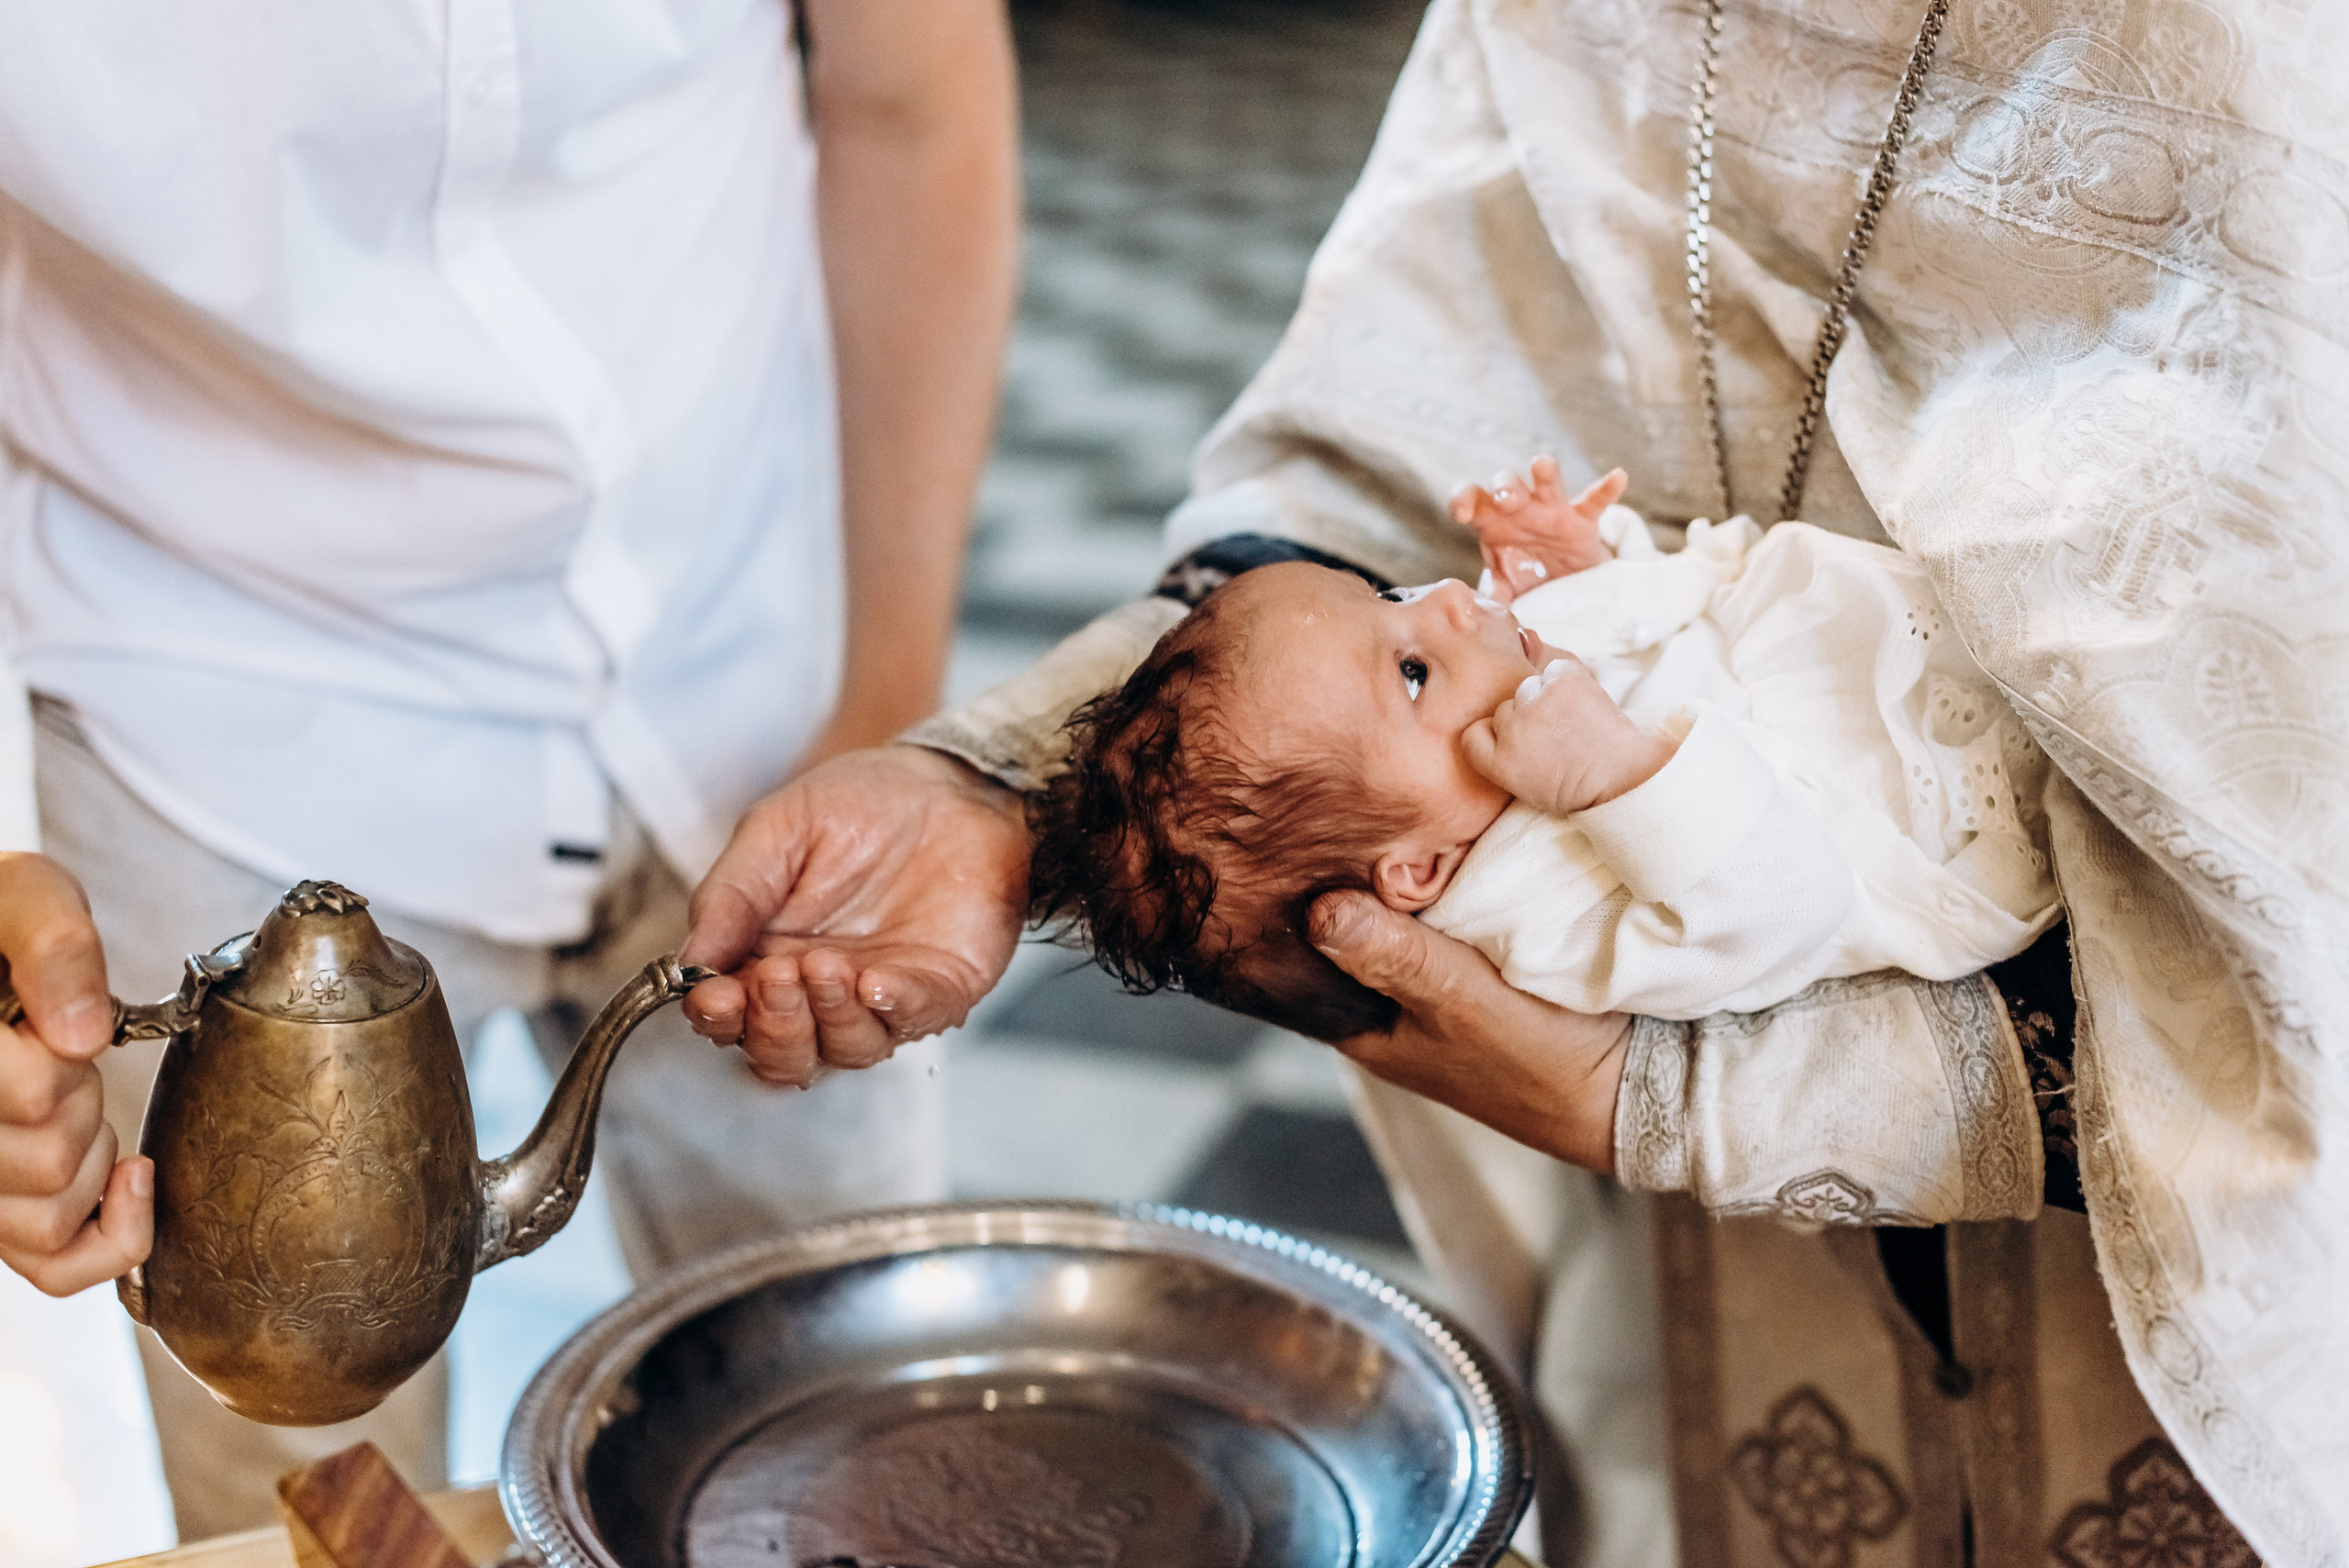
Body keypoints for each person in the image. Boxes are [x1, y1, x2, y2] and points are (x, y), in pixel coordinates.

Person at [674, 0, 2343, 1561]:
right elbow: (1362, 507)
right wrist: (1008, 787)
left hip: (2158, 1247)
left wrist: (1721, 1100)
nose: (1441, 618)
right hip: (1724, 1268)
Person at [0, 0, 1015, 1540]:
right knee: (311, 1483)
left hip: (758, 636)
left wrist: (888, 705)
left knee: (860, 1417)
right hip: (206, 689)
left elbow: (910, 97)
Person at [1022, 467, 2057, 1040]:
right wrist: (1613, 778)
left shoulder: (1498, 735)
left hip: (1904, 653)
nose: (1439, 596)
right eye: (1412, 670)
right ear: (1419, 868)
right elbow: (1787, 911)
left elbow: (1664, 646)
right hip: (1953, 803)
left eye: (1389, 601)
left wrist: (1589, 574)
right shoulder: (1537, 920)